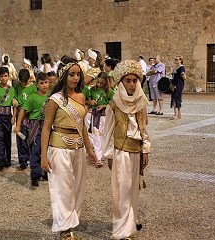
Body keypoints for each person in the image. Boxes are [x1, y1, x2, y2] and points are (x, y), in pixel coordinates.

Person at [41, 56, 96, 239]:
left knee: (78, 188)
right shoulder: (55, 100)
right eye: (72, 74)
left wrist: (90, 150)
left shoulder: (81, 96)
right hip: (59, 148)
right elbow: (46, 128)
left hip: (78, 148)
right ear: (63, 75)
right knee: (62, 188)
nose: (75, 78)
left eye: (78, 75)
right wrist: (43, 156)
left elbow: (83, 127)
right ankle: (65, 230)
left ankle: (71, 223)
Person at [102, 60, 151, 240]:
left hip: (136, 152)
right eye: (128, 81)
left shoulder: (141, 102)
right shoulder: (114, 104)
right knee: (121, 189)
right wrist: (108, 154)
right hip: (120, 152)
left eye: (134, 81)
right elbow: (107, 131)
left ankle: (130, 220)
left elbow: (143, 128)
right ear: (121, 82)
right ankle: (123, 230)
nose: (131, 84)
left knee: (133, 190)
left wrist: (146, 149)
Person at [14, 72, 49, 187]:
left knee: (47, 150)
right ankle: (35, 175)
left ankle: (46, 172)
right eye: (42, 83)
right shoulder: (32, 97)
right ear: (37, 84)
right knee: (35, 151)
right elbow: (23, 110)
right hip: (36, 125)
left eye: (46, 82)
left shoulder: (50, 97)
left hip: (48, 125)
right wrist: (18, 125)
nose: (44, 85)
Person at [0, 67, 17, 170]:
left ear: (9, 76)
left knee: (7, 139)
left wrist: (14, 117)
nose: (4, 78)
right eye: (1, 76)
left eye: (5, 76)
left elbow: (14, 104)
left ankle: (7, 160)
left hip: (8, 117)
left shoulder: (12, 89)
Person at [87, 72, 115, 167]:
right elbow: (87, 100)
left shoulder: (109, 91)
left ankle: (102, 154)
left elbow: (113, 103)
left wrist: (104, 105)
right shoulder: (92, 90)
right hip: (94, 115)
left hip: (104, 116)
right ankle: (98, 158)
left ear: (105, 83)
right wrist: (90, 102)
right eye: (98, 82)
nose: (99, 85)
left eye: (102, 83)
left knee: (103, 136)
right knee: (96, 136)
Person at [14, 69, 37, 170]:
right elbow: (14, 98)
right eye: (21, 82)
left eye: (25, 82)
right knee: (21, 136)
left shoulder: (33, 88)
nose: (23, 84)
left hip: (30, 115)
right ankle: (23, 159)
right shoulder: (17, 87)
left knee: (31, 137)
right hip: (20, 115)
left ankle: (31, 157)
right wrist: (14, 100)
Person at [170, 55, 186, 120]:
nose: (176, 60)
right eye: (175, 59)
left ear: (180, 60)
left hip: (178, 84)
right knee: (176, 98)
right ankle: (179, 113)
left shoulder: (181, 68)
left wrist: (183, 75)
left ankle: (176, 114)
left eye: (177, 59)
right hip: (174, 84)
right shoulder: (176, 68)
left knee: (176, 98)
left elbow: (184, 77)